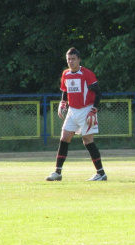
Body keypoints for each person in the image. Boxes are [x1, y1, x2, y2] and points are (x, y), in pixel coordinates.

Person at [45, 47, 107, 181]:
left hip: (86, 110)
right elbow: (65, 90)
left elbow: (98, 93)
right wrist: (63, 102)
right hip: (72, 111)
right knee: (64, 138)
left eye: (73, 59)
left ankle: (101, 173)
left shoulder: (86, 74)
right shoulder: (66, 74)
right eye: (69, 59)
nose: (71, 61)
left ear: (79, 60)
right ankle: (58, 172)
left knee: (88, 141)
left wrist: (93, 110)